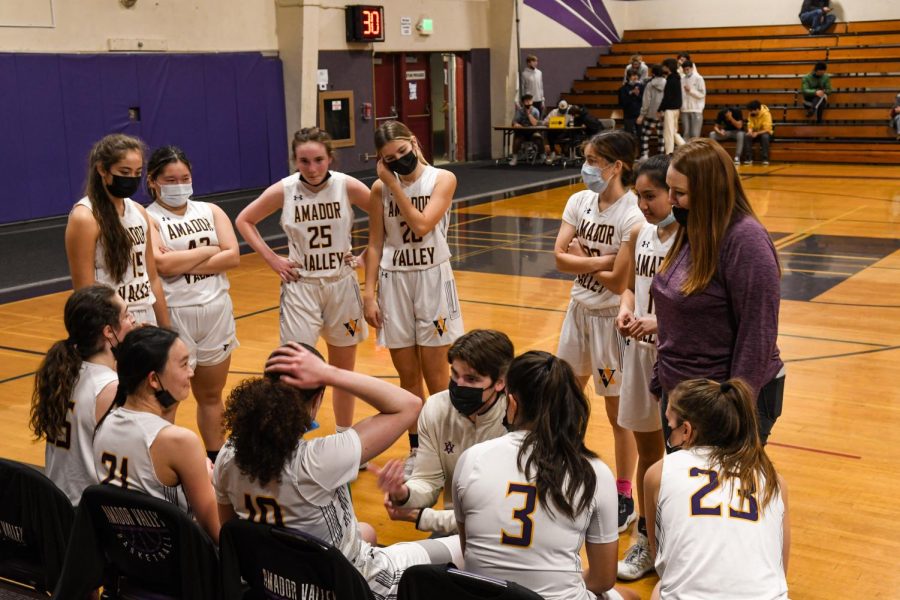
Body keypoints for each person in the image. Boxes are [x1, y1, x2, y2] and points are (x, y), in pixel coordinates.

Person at [214, 343, 461, 598]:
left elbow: (231, 530)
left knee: (366, 530)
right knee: (463, 548)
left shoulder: (227, 455)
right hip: (350, 585)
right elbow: (409, 404)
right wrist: (330, 373)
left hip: (275, 581)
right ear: (318, 399)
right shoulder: (318, 461)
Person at [452, 351, 638, 600]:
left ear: (513, 404)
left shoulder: (472, 458)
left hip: (485, 595)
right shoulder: (595, 472)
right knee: (631, 597)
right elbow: (603, 579)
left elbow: (469, 552)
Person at [236, 127, 370, 432]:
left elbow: (384, 214)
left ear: (330, 158)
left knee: (342, 372)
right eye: (304, 161)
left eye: (319, 160)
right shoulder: (284, 189)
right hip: (301, 286)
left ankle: (343, 436)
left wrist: (365, 256)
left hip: (341, 283)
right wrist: (271, 258)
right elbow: (244, 220)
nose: (312, 168)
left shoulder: (346, 185)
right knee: (294, 371)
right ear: (295, 160)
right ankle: (291, 439)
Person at [652, 139, 784, 445]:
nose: (670, 199)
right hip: (680, 396)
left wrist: (733, 409)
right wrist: (662, 377)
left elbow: (758, 333)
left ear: (709, 192)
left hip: (720, 404)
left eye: (679, 193)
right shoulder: (694, 228)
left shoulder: (746, 241)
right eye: (669, 189)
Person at [554, 130, 646, 532]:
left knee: (617, 413)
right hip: (577, 312)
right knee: (565, 400)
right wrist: (602, 261)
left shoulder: (633, 214)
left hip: (613, 321)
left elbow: (619, 282)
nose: (586, 167)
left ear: (616, 166)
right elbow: (558, 258)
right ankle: (566, 475)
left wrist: (584, 257)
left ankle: (624, 494)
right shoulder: (579, 202)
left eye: (593, 160)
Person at [364, 120, 463, 474]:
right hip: (394, 283)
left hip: (432, 279)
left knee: (437, 376)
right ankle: (418, 449)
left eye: (403, 152)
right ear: (380, 159)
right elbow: (375, 244)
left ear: (414, 143)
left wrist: (393, 184)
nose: (398, 161)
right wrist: (368, 293)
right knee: (407, 376)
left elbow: (422, 225)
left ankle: (444, 448)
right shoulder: (379, 189)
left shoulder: (442, 179)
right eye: (389, 158)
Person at [646, 378, 790, 600]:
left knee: (659, 589)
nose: (668, 434)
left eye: (670, 425)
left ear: (686, 430)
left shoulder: (659, 472)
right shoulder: (773, 479)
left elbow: (661, 560)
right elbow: (779, 570)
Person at [146, 146, 240, 462]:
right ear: (153, 181)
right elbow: (162, 266)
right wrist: (211, 250)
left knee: (212, 396)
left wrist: (181, 261)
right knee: (167, 399)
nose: (179, 184)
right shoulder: (147, 217)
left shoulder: (211, 211)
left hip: (216, 311)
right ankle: (162, 467)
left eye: (184, 178)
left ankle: (216, 465)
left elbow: (234, 255)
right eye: (170, 179)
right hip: (174, 317)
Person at [372, 329, 514, 536]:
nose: (458, 385)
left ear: (500, 382)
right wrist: (404, 493)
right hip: (455, 526)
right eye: (455, 374)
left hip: (503, 535)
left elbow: (494, 516)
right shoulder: (436, 407)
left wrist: (423, 518)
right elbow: (427, 479)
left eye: (471, 379)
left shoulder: (517, 419)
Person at [93, 326, 220, 543]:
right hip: (177, 564)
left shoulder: (103, 424)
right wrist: (216, 482)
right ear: (153, 379)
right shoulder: (179, 442)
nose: (191, 371)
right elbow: (216, 530)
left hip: (126, 556)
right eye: (183, 364)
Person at [614, 155, 676, 581]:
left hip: (677, 356)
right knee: (649, 452)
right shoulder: (640, 232)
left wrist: (661, 322)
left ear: (674, 192)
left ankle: (679, 539)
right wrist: (625, 307)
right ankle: (646, 536)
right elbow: (629, 288)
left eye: (650, 196)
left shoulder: (694, 239)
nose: (643, 204)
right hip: (638, 354)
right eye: (638, 196)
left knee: (681, 456)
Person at [29, 285, 135, 506]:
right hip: (88, 512)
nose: (133, 320)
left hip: (56, 503)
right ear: (108, 332)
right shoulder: (112, 388)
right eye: (127, 315)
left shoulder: (62, 372)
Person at [65, 134, 169, 326]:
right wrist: (124, 325)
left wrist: (167, 330)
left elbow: (152, 278)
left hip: (146, 316)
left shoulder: (138, 211)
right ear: (102, 169)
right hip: (110, 322)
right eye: (125, 172)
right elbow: (84, 290)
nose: (131, 179)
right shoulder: (85, 217)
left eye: (137, 173)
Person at [638, 65, 666, 159]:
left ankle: (645, 155)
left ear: (653, 73)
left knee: (645, 135)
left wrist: (642, 114)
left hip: (651, 113)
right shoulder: (667, 83)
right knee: (662, 136)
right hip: (663, 113)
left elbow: (646, 101)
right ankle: (661, 156)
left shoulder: (650, 84)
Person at [659, 58, 686, 155]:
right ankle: (687, 148)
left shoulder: (671, 79)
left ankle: (668, 155)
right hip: (676, 109)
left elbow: (667, 97)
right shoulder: (677, 77)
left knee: (668, 134)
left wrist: (660, 109)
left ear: (668, 67)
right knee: (674, 133)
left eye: (664, 66)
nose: (663, 68)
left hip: (670, 110)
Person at [510, 94, 542, 166]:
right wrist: (516, 124)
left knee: (538, 138)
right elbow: (514, 122)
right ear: (523, 103)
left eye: (530, 100)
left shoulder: (535, 111)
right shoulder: (520, 111)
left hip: (532, 132)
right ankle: (514, 158)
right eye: (526, 101)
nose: (528, 103)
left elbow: (535, 123)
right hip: (523, 132)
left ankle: (543, 156)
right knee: (517, 139)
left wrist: (529, 114)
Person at [680, 60, 706, 140]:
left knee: (695, 134)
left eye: (688, 69)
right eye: (684, 70)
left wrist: (690, 91)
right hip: (685, 110)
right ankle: (686, 152)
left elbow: (702, 94)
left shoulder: (699, 78)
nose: (686, 71)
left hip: (696, 109)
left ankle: (695, 152)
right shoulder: (682, 80)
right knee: (686, 133)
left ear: (692, 68)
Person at [543, 99, 576, 163]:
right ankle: (553, 152)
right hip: (555, 132)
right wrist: (550, 122)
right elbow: (544, 122)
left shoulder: (570, 111)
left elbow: (573, 122)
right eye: (561, 110)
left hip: (566, 132)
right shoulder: (554, 112)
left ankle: (564, 152)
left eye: (564, 110)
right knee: (550, 133)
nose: (563, 112)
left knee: (568, 134)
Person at [743, 100, 774, 165]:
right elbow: (750, 124)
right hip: (755, 132)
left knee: (765, 137)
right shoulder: (751, 113)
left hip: (765, 132)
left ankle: (765, 158)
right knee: (747, 136)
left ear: (757, 109)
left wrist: (757, 133)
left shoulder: (766, 114)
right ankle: (749, 158)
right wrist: (750, 131)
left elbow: (767, 129)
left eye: (751, 111)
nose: (750, 112)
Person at [619, 69, 644, 141]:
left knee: (640, 136)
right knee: (628, 137)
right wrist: (630, 94)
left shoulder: (642, 87)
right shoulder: (623, 89)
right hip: (628, 116)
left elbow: (644, 101)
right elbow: (622, 103)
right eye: (633, 75)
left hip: (639, 115)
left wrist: (637, 94)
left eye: (636, 75)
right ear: (628, 77)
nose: (635, 77)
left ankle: (640, 151)